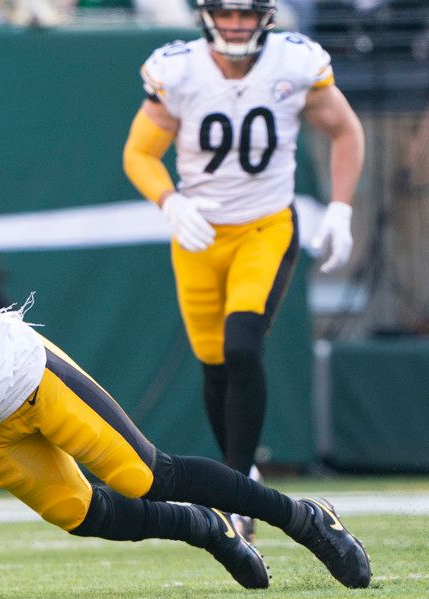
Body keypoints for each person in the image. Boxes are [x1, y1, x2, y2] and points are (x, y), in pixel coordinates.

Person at [0, 219, 371, 591]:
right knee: (81, 514)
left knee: (148, 476)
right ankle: (202, 527)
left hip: (33, 381)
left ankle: (305, 518)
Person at [121, 0, 364, 541]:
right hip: (199, 234)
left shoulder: (294, 62)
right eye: (226, 14)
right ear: (207, 15)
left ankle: (236, 491)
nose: (235, 25)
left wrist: (342, 207)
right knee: (214, 365)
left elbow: (346, 131)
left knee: (242, 346)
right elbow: (139, 153)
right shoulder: (180, 69)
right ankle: (244, 472)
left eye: (246, 14)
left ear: (266, 16)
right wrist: (169, 201)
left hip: (264, 227)